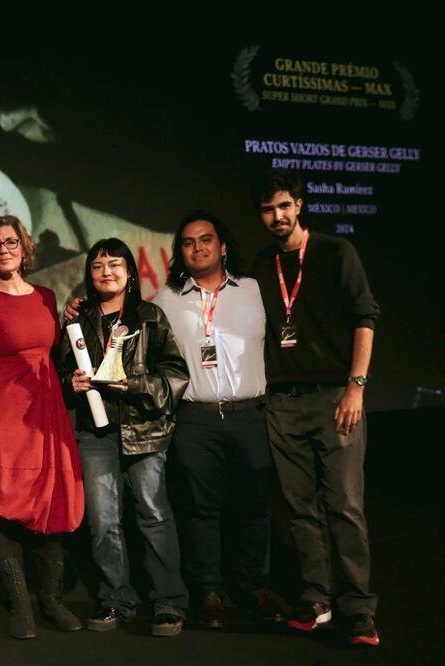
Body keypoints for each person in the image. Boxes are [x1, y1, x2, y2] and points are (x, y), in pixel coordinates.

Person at [251, 169, 380, 646]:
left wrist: (356, 386)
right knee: (300, 508)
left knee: (344, 504)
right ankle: (316, 598)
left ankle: (359, 608)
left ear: (299, 205)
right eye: (268, 209)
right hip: (283, 401)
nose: (277, 216)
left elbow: (365, 317)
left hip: (335, 396)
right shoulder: (261, 264)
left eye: (284, 205)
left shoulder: (335, 252)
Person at [152, 211, 287, 628]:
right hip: (196, 419)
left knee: (254, 509)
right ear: (181, 252)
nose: (198, 248)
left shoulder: (253, 289)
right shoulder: (165, 299)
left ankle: (254, 587)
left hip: (251, 415)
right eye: (189, 242)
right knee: (200, 510)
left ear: (223, 246)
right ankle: (209, 592)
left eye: (206, 239)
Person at [59, 238, 189, 637]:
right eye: (98, 266)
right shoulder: (77, 321)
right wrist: (72, 383)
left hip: (145, 431)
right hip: (95, 433)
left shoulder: (150, 316)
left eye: (115, 265)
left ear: (130, 272)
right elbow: (58, 376)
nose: (106, 272)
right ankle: (116, 599)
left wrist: (132, 384)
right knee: (103, 522)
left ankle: (168, 603)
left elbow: (176, 376)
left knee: (153, 515)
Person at [0, 215, 85, 639]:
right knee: (4, 509)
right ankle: (21, 608)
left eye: (10, 242)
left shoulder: (48, 296)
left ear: (24, 246)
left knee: (54, 505)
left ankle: (51, 601)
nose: (3, 249)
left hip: (45, 415)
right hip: (1, 418)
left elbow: (54, 354)